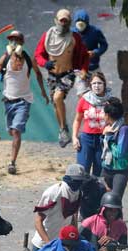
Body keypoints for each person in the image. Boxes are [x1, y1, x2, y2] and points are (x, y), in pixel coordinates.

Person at [0, 30, 49, 175]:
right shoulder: (5, 58)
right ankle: (17, 130)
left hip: (24, 101)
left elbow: (38, 74)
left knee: (16, 131)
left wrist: (43, 91)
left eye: (16, 39)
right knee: (11, 131)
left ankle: (12, 163)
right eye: (11, 39)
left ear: (22, 42)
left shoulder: (28, 59)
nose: (13, 42)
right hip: (8, 101)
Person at [35, 8, 89, 147]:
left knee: (57, 97)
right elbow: (38, 54)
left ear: (70, 22)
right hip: (52, 75)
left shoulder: (74, 37)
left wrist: (83, 69)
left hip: (68, 73)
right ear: (56, 21)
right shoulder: (47, 36)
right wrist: (45, 63)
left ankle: (65, 128)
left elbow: (84, 55)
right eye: (61, 20)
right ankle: (63, 129)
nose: (63, 23)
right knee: (55, 102)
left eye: (66, 21)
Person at [72, 71, 111, 176]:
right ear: (90, 85)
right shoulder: (84, 99)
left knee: (100, 172)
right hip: (86, 139)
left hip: (103, 140)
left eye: (99, 83)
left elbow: (117, 120)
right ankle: (83, 188)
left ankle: (96, 187)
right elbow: (77, 120)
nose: (97, 86)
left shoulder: (110, 101)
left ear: (104, 84)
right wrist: (74, 137)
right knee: (82, 171)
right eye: (94, 83)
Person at [101, 97, 128, 200]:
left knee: (114, 200)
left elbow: (120, 153)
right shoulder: (108, 128)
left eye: (104, 114)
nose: (103, 116)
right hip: (107, 168)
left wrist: (108, 136)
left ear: (107, 115)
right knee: (102, 197)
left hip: (120, 170)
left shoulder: (124, 130)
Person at [72, 9, 108, 96]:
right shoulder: (71, 33)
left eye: (82, 23)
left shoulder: (95, 31)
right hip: (79, 69)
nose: (80, 26)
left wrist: (95, 52)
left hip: (93, 67)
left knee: (100, 92)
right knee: (82, 94)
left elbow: (104, 45)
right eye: (78, 23)